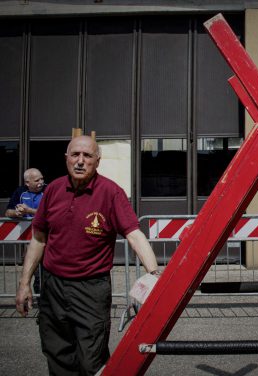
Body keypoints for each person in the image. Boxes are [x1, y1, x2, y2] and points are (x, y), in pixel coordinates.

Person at [15, 135, 161, 375]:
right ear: (66, 159)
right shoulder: (52, 190)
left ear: (97, 161)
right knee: (57, 354)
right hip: (53, 286)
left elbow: (134, 234)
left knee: (91, 360)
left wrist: (153, 273)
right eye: (75, 155)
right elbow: (38, 239)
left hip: (91, 289)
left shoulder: (111, 193)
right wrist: (24, 284)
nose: (80, 161)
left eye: (87, 156)